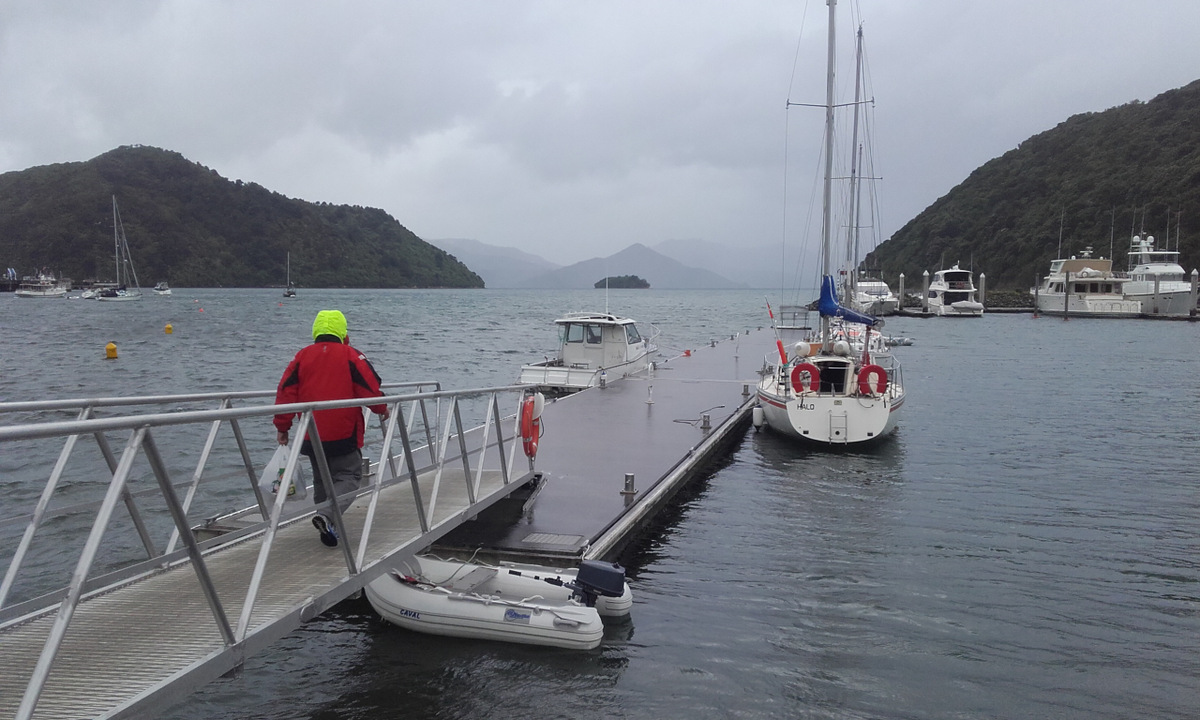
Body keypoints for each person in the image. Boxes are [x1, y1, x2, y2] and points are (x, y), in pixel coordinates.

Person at [274, 310, 389, 547]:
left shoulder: (301, 357)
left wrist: (282, 426)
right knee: (350, 476)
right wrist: (382, 408)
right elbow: (369, 388)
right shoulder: (351, 355)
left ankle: (326, 524)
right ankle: (326, 516)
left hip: (311, 434)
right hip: (343, 432)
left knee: (322, 480)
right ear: (342, 331)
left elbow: (285, 393)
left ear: (316, 330)